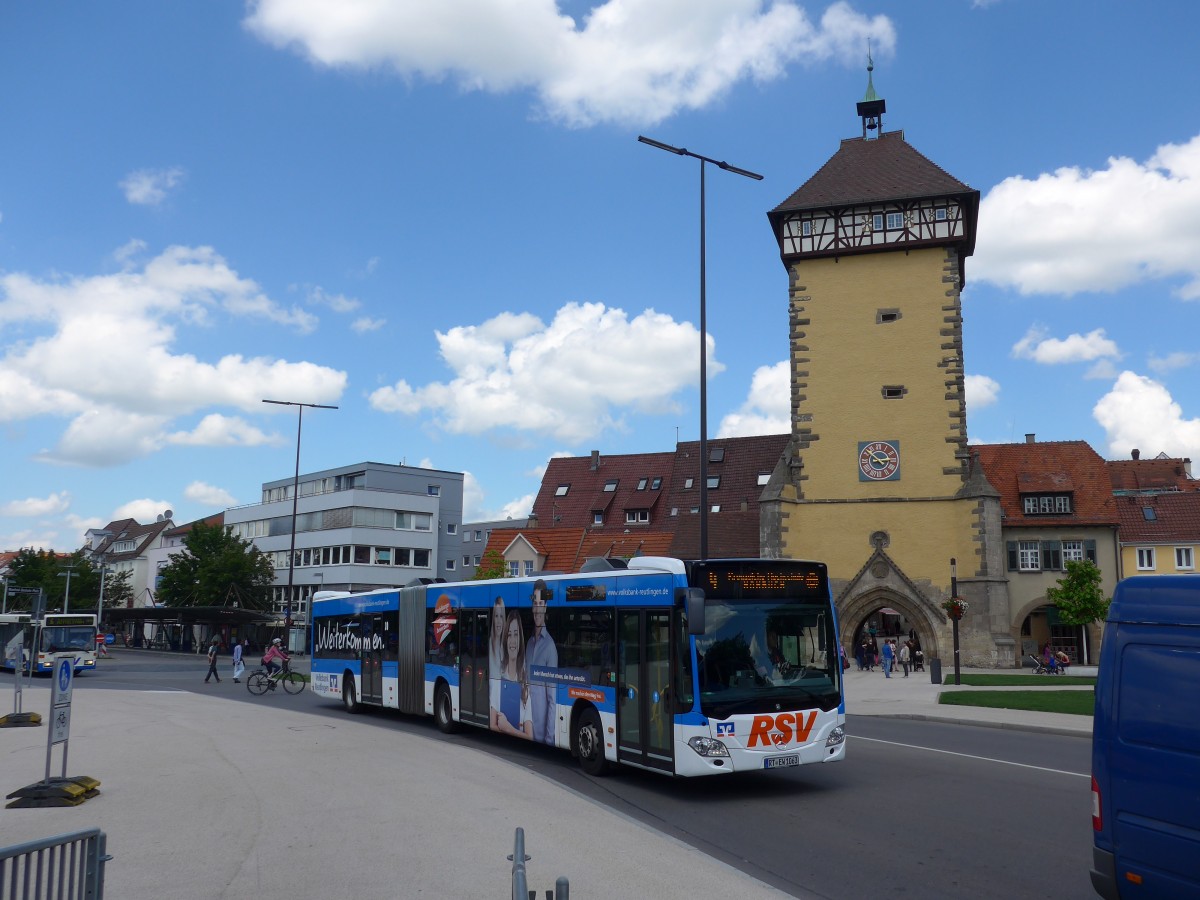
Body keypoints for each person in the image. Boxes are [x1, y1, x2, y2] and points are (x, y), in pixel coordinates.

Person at [490, 611, 532, 739]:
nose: (512, 640)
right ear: (505, 640)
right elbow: (492, 725)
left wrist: (508, 728)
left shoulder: (526, 686)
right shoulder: (498, 679)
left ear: (520, 640)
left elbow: (530, 736)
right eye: (509, 635)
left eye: (516, 634)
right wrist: (517, 732)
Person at [525, 581, 558, 745]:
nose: (537, 609)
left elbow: (552, 699)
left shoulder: (550, 646)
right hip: (525, 729)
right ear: (532, 607)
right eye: (535, 603)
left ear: (545, 607)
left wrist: (549, 739)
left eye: (541, 604)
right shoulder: (529, 643)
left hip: (539, 736)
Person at [488, 597, 506, 677]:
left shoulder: (508, 645)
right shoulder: (489, 644)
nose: (499, 621)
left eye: (501, 616)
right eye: (496, 616)